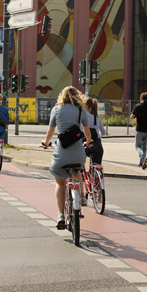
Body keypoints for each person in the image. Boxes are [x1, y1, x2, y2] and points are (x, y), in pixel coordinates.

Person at [41, 86, 92, 229]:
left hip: (61, 154)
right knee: (78, 170)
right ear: (77, 96)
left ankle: (61, 215)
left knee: (60, 183)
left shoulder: (56, 110)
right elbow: (87, 132)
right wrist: (89, 141)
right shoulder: (81, 110)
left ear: (62, 96)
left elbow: (50, 132)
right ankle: (81, 195)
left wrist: (45, 142)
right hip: (78, 154)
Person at [131, 92, 147, 170]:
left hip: (139, 129)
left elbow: (132, 117)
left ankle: (142, 156)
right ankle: (142, 161)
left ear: (141, 98)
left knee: (137, 146)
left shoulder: (137, 106)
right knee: (144, 146)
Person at [84, 97, 105, 166]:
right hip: (97, 144)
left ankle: (81, 175)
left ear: (85, 105)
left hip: (85, 145)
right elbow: (103, 132)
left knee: (79, 165)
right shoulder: (97, 118)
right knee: (97, 165)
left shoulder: (82, 117)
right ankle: (98, 173)